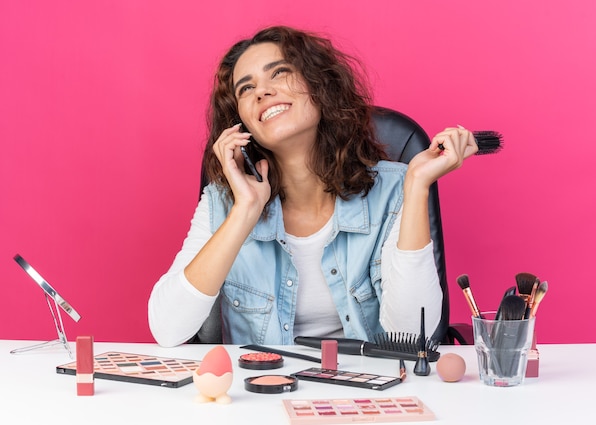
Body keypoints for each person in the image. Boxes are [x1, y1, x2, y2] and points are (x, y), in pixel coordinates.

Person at [148, 25, 477, 347]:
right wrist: (244, 210)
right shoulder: (222, 202)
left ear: (321, 86)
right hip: (260, 392)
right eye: (246, 88)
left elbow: (411, 336)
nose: (261, 91)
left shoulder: (395, 191)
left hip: (367, 391)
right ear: (241, 122)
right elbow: (167, 329)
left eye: (278, 73)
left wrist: (417, 185)